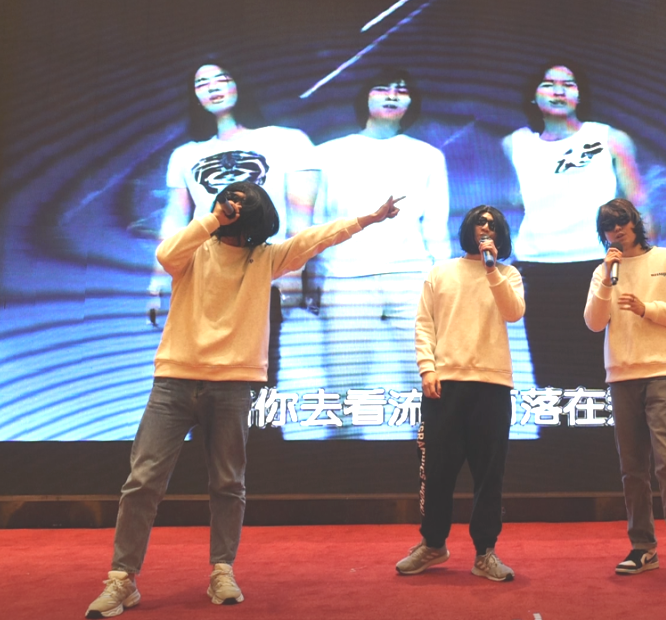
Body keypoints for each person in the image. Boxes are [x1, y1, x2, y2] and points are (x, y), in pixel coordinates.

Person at [85, 182, 401, 618]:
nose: (232, 207)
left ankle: (222, 570)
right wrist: (213, 218)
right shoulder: (194, 251)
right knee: (143, 481)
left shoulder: (265, 259)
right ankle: (122, 578)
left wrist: (369, 218)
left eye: (240, 204)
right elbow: (165, 254)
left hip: (232, 386)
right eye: (227, 200)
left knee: (228, 483)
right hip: (174, 381)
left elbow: (317, 238)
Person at [151, 58, 319, 386]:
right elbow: (173, 223)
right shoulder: (185, 155)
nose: (212, 87)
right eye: (202, 83)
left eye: (221, 78)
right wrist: (157, 282)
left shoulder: (288, 141)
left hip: (261, 274)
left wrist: (293, 273)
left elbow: (302, 216)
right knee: (202, 381)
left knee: (255, 378)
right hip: (202, 279)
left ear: (238, 83)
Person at [312, 68, 450, 437]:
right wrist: (318, 278)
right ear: (364, 97)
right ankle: (344, 461)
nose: (392, 95)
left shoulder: (428, 156)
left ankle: (432, 463)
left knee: (428, 385)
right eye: (382, 88)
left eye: (401, 90)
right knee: (344, 387)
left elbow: (436, 229)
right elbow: (319, 223)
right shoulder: (328, 153)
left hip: (412, 280)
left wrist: (445, 286)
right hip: (347, 278)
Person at [395, 206, 524, 582]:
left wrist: (492, 270)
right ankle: (433, 544)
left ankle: (485, 553)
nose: (485, 228)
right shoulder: (441, 271)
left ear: (501, 236)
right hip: (445, 385)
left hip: (492, 385)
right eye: (480, 222)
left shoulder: (508, 274)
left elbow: (514, 312)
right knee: (437, 472)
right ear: (467, 228)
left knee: (489, 475)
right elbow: (424, 323)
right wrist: (427, 368)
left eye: (493, 225)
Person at [503, 61, 646, 395]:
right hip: (538, 268)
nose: (558, 91)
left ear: (580, 95)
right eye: (548, 84)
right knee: (551, 372)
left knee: (604, 369)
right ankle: (559, 431)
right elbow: (511, 202)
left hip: (600, 265)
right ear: (533, 95)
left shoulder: (609, 138)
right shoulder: (514, 143)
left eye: (568, 84)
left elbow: (639, 203)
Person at [584, 199, 666, 582]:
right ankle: (643, 547)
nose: (616, 230)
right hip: (620, 375)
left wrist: (646, 308)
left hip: (662, 372)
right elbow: (593, 322)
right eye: (608, 225)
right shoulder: (604, 271)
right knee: (632, 469)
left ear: (636, 222)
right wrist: (607, 277)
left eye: (622, 221)